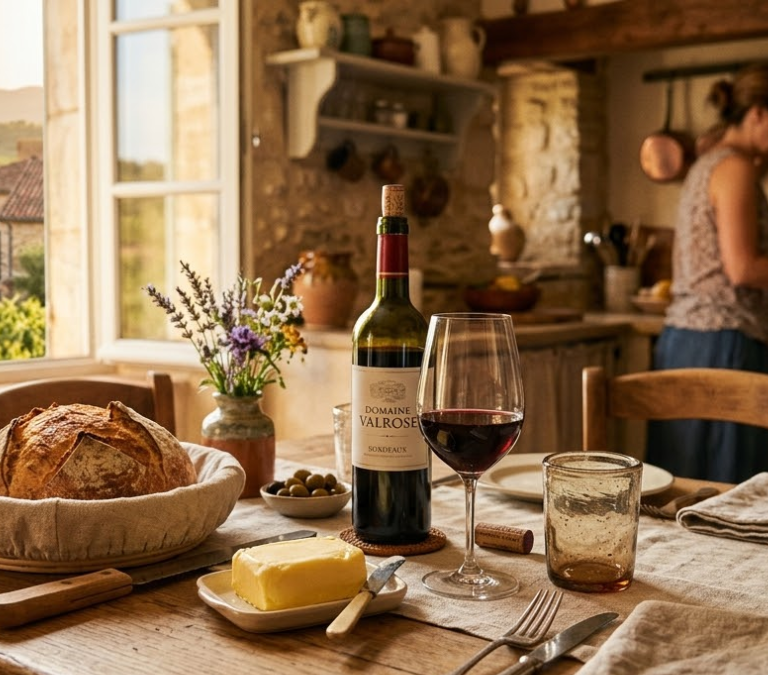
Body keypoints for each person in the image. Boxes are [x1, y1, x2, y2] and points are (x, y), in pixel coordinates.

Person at [646, 63, 768, 483]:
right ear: (758, 114)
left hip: (687, 342)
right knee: (727, 495)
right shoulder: (736, 168)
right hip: (723, 341)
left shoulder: (710, 162)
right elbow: (744, 268)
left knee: (681, 491)